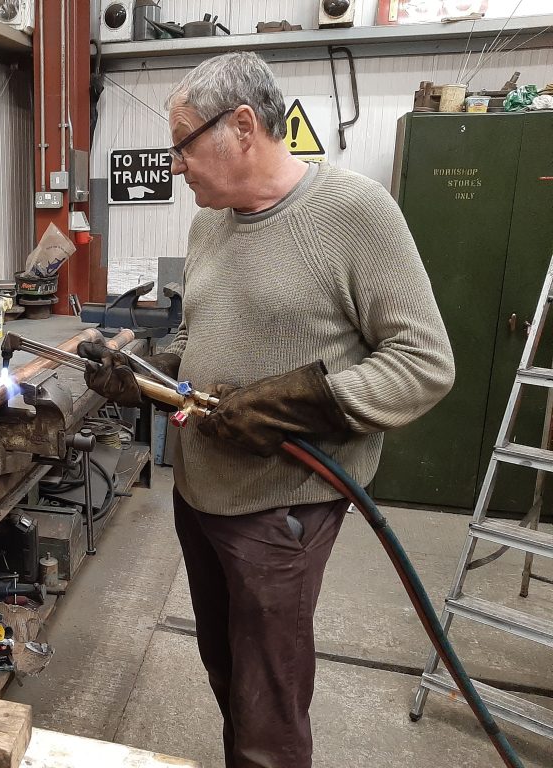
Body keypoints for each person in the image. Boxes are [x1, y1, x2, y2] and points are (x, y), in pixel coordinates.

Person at [79, 52, 455, 768]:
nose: (176, 165)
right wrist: (149, 370)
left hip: (284, 508)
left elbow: (425, 364)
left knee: (267, 706)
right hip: (203, 494)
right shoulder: (209, 225)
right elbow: (201, 335)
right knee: (226, 669)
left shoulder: (354, 212)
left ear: (243, 126)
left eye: (183, 143)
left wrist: (304, 403)